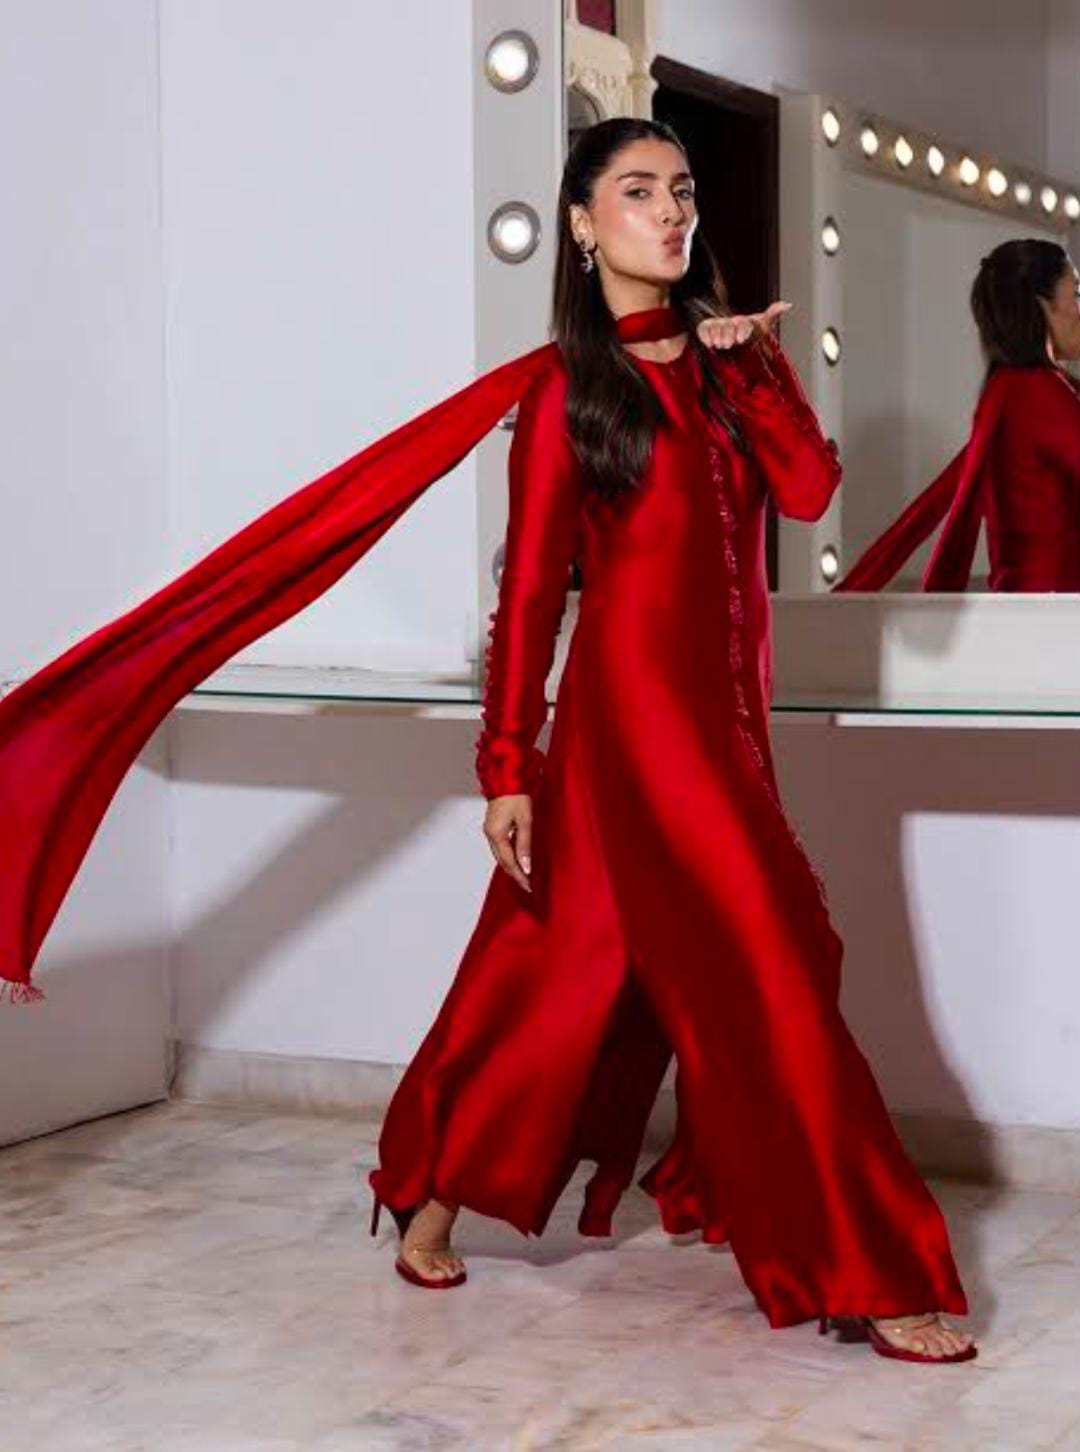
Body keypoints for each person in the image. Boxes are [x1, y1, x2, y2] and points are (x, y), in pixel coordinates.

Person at [367, 118, 976, 1363]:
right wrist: (506, 766)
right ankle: (863, 1265)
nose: (671, 213)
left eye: (683, 191)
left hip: (729, 726)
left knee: (557, 965)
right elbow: (531, 596)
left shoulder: (728, 367)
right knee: (775, 966)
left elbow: (808, 493)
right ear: (582, 224)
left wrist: (757, 372)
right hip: (636, 728)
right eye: (638, 192)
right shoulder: (566, 393)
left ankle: (430, 1191)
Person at [835, 238, 1080, 592]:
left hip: (1030, 609)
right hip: (1056, 614)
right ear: (1043, 305)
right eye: (1075, 294)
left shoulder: (1008, 388)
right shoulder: (1038, 392)